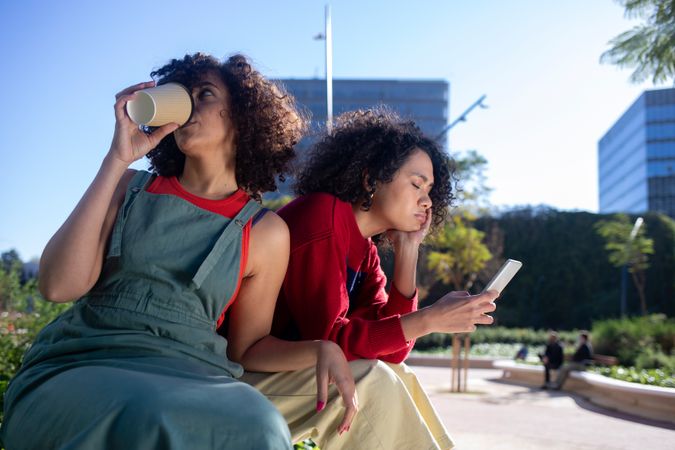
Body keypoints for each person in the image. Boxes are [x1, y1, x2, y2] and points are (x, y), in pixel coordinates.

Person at [0, 53, 357, 450]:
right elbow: (57, 286)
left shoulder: (266, 232)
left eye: (204, 94)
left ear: (242, 116)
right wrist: (116, 161)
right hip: (86, 360)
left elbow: (248, 348)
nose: (189, 105)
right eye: (181, 95)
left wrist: (322, 348)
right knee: (149, 416)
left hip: (195, 373)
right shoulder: (128, 187)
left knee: (262, 423)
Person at [243, 108, 499, 450]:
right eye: (416, 184)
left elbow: (392, 352)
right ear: (370, 179)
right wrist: (430, 319)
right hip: (246, 372)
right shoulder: (320, 216)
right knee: (372, 379)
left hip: (291, 376)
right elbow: (329, 340)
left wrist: (408, 252)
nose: (426, 201)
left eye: (431, 191)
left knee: (398, 375)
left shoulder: (365, 252)